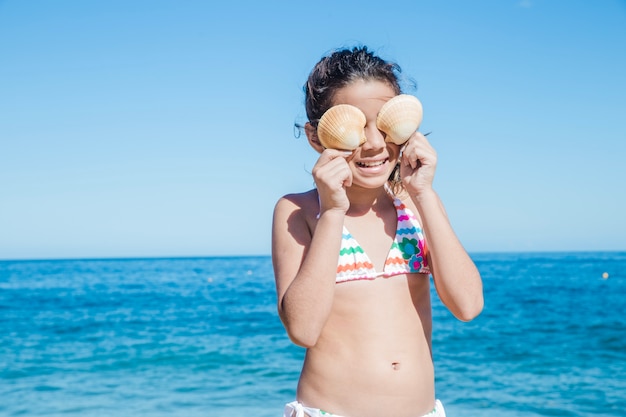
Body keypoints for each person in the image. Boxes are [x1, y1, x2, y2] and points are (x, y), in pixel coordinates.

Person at [271, 45, 484, 417]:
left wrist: (423, 192)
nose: (373, 143)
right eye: (355, 128)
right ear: (316, 136)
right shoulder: (299, 211)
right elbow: (303, 329)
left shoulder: (418, 204)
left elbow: (468, 305)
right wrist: (333, 210)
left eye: (385, 125)